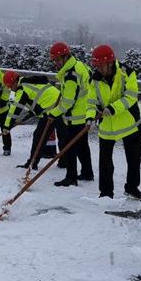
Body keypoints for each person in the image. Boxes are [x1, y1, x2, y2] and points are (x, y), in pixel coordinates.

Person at [86, 44, 141, 199]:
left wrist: (112, 108)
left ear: (110, 62)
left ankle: (132, 188)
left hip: (129, 123)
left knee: (134, 159)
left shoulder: (127, 73)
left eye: (100, 65)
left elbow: (131, 96)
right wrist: (89, 117)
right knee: (105, 162)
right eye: (95, 65)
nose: (97, 68)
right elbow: (91, 102)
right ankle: (105, 193)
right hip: (107, 125)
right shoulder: (95, 79)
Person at [48, 41, 93, 187]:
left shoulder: (70, 74)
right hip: (84, 113)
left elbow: (67, 102)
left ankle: (71, 177)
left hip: (75, 117)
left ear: (65, 56)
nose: (55, 63)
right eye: (54, 60)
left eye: (57, 59)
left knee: (70, 147)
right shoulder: (79, 65)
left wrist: (53, 113)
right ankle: (87, 173)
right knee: (82, 146)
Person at [3, 70, 61, 170]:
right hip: (60, 103)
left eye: (10, 86)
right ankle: (65, 162)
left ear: (14, 82)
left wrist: (7, 126)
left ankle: (32, 164)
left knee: (38, 136)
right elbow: (37, 99)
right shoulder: (28, 82)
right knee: (63, 136)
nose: (11, 90)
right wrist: (30, 114)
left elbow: (15, 109)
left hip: (52, 108)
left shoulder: (22, 89)